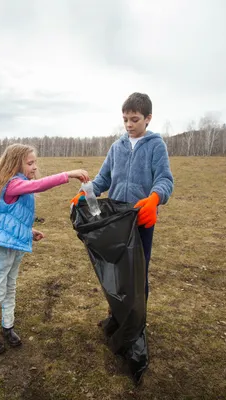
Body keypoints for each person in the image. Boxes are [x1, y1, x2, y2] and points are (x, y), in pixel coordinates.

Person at [0, 143, 89, 354]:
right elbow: (39, 185)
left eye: (35, 162)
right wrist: (69, 174)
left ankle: (7, 327)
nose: (34, 167)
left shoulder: (20, 186)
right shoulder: (12, 185)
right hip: (1, 248)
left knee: (10, 288)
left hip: (15, 245)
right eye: (30, 163)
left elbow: (12, 218)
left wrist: (29, 232)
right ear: (15, 164)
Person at [71, 92, 174, 307]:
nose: (128, 125)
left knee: (138, 271)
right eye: (125, 120)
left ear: (148, 118)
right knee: (115, 270)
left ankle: (135, 323)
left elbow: (164, 179)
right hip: (116, 219)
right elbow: (103, 179)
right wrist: (86, 192)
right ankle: (116, 316)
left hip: (141, 218)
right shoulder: (117, 147)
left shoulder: (156, 146)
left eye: (134, 119)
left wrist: (155, 199)